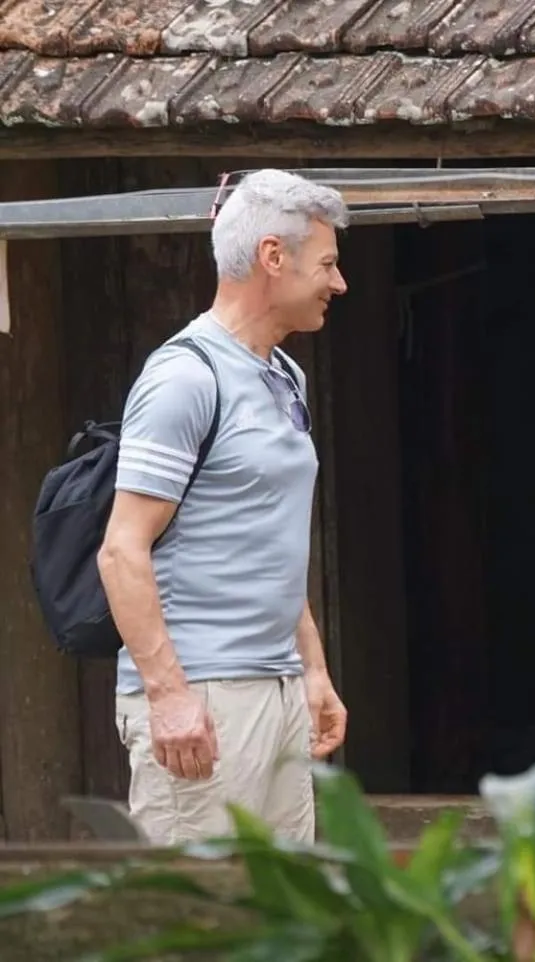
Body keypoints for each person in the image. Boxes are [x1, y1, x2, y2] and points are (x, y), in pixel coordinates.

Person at [97, 169, 351, 845]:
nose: (339, 281)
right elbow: (122, 550)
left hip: (277, 688)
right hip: (204, 695)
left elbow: (270, 539)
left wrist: (313, 671)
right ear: (274, 258)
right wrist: (169, 696)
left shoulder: (284, 375)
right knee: (199, 926)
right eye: (326, 263)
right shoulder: (186, 377)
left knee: (281, 928)